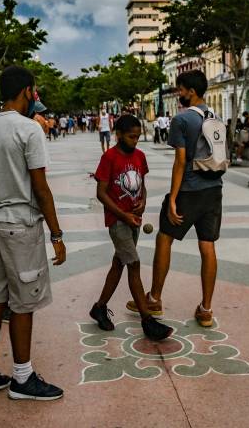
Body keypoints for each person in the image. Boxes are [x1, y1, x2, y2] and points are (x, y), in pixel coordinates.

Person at [0, 65, 66, 401]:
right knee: (23, 303)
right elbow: (40, 188)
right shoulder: (29, 130)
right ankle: (22, 378)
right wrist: (56, 234)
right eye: (34, 92)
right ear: (27, 91)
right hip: (20, 225)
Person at [127, 70, 222, 328]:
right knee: (207, 245)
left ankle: (154, 299)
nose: (179, 94)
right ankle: (206, 309)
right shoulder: (216, 117)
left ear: (191, 91)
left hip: (189, 189)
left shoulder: (182, 119)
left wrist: (172, 198)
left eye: (181, 90)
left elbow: (181, 160)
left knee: (164, 238)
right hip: (214, 190)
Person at [90, 114, 172, 341]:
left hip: (133, 220)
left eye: (137, 136)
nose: (135, 140)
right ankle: (147, 320)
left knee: (119, 264)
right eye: (130, 136)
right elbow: (101, 193)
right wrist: (123, 215)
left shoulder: (140, 156)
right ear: (118, 135)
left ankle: (99, 307)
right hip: (117, 222)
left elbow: (142, 186)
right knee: (133, 264)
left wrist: (143, 202)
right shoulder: (109, 158)